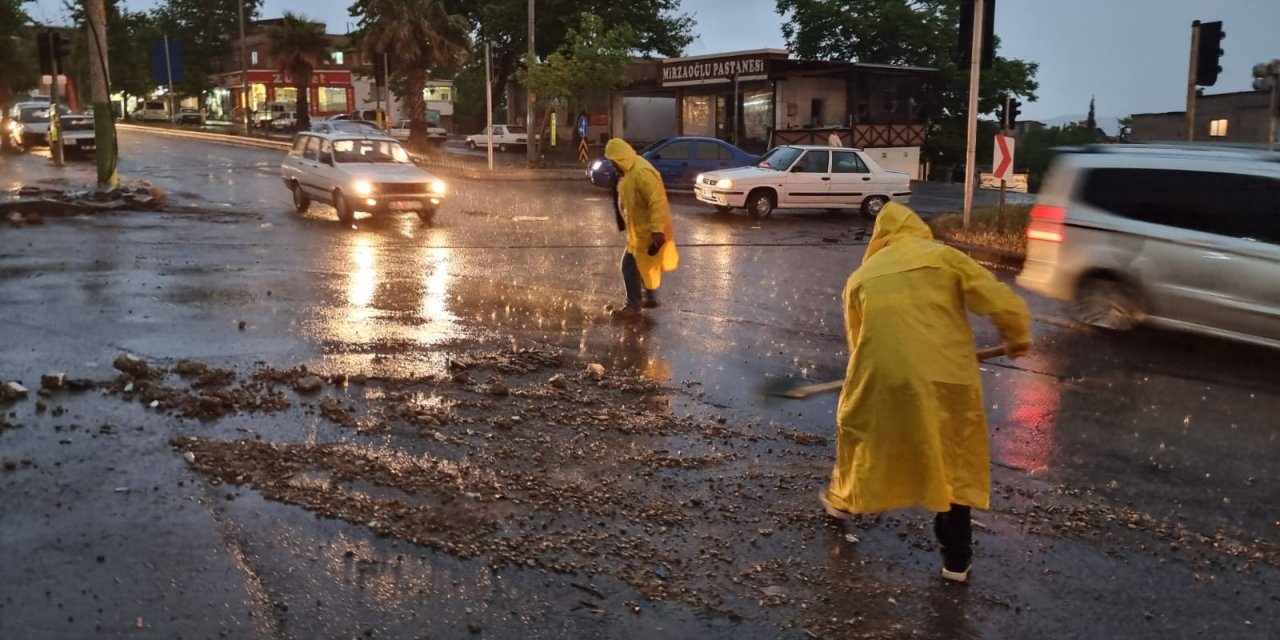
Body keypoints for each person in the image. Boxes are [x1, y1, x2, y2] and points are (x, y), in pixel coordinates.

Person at [821, 202, 1031, 584]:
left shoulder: (861, 276)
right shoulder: (945, 258)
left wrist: (870, 378)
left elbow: (859, 342)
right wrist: (1017, 337)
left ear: (880, 237)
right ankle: (956, 561)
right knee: (954, 458)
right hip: (947, 377)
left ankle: (842, 501)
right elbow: (1000, 301)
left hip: (881, 376)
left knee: (861, 435)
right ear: (918, 229)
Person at [603, 138, 678, 319]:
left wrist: (657, 230)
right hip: (639, 232)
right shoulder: (628, 172)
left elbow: (656, 202)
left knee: (628, 267)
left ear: (621, 158)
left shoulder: (642, 172)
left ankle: (633, 306)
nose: (612, 165)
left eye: (613, 161)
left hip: (648, 232)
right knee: (643, 265)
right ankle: (649, 297)